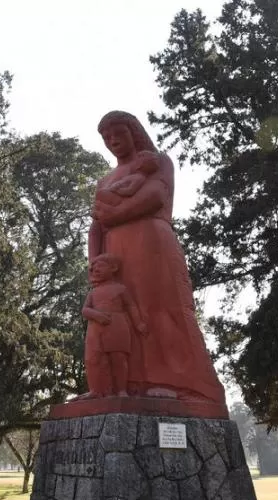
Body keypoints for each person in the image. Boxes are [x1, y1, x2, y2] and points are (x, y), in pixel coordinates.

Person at [87, 110, 226, 404]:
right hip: (115, 256)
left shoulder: (158, 162)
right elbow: (95, 225)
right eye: (106, 137)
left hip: (152, 247)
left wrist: (113, 213)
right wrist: (93, 262)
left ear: (133, 132)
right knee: (120, 320)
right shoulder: (105, 180)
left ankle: (181, 384)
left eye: (118, 134)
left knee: (161, 311)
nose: (113, 141)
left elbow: (155, 197)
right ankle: (124, 384)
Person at [81, 253, 147, 398]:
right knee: (93, 358)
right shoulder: (93, 293)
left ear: (113, 268)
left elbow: (131, 307)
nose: (96, 269)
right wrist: (97, 316)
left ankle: (121, 390)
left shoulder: (121, 289)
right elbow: (85, 310)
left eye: (100, 266)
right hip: (96, 327)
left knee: (118, 359)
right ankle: (96, 390)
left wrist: (138, 323)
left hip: (117, 325)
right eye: (94, 267)